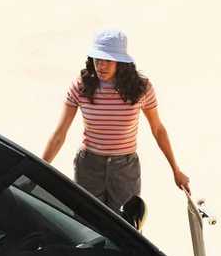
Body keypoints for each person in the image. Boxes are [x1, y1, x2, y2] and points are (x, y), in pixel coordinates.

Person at [41, 28, 192, 230]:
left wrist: (176, 170)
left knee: (126, 231)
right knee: (85, 226)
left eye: (108, 60)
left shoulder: (141, 88)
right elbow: (60, 133)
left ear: (120, 61)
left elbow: (158, 130)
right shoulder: (81, 85)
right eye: (97, 59)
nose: (101, 66)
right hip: (89, 167)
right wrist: (41, 167)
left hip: (125, 170)